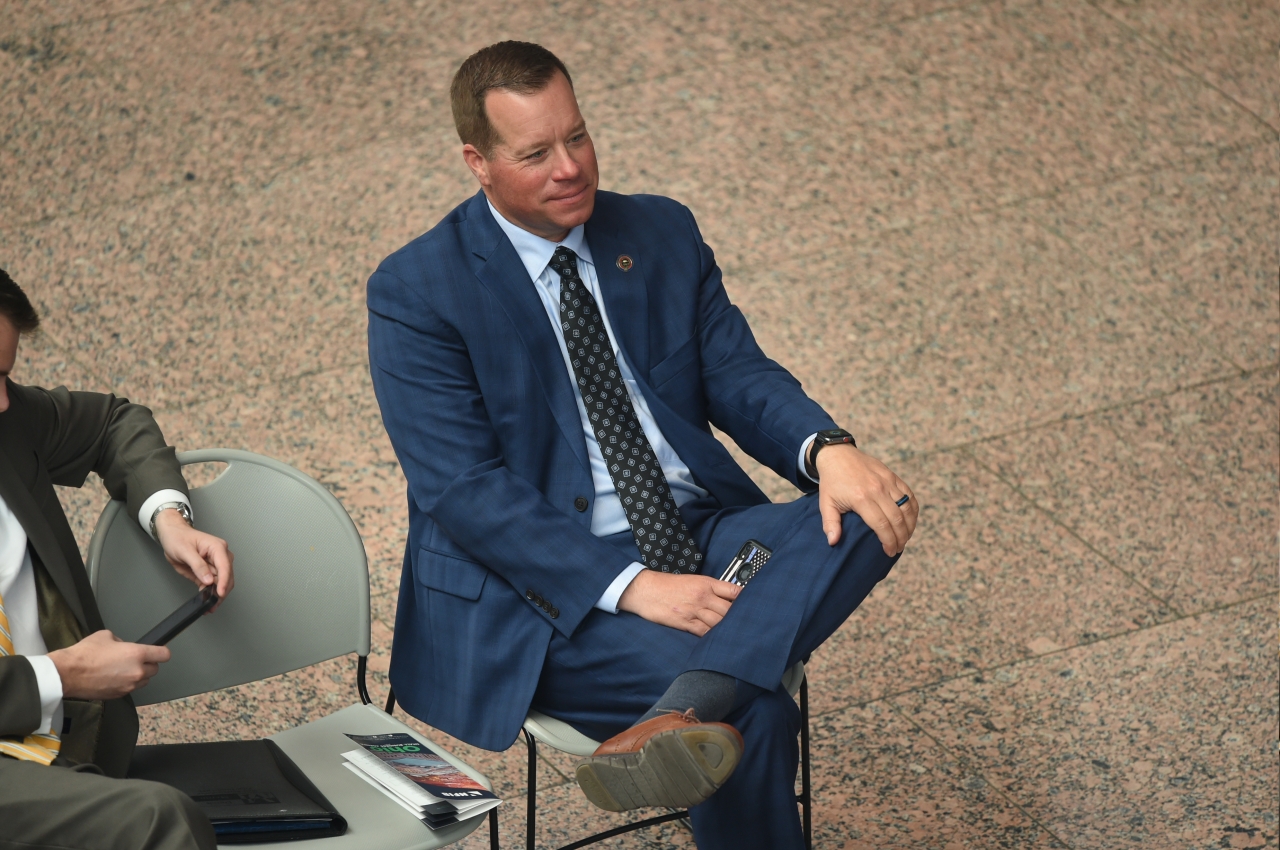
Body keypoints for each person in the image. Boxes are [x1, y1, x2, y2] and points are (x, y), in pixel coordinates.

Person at [367, 42, 919, 848]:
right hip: (551, 596)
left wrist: (826, 446)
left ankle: (676, 712)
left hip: (703, 532)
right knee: (756, 715)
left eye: (578, 137)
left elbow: (735, 371)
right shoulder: (417, 292)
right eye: (535, 153)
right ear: (477, 163)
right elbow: (464, 491)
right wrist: (630, 585)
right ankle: (709, 698)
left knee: (874, 502)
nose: (570, 167)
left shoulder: (656, 229)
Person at [0, 269, 234, 850]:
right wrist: (63, 673)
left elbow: (114, 421)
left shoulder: (8, 418)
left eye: (6, 375)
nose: (4, 401)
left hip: (58, 750)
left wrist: (169, 521)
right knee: (160, 820)